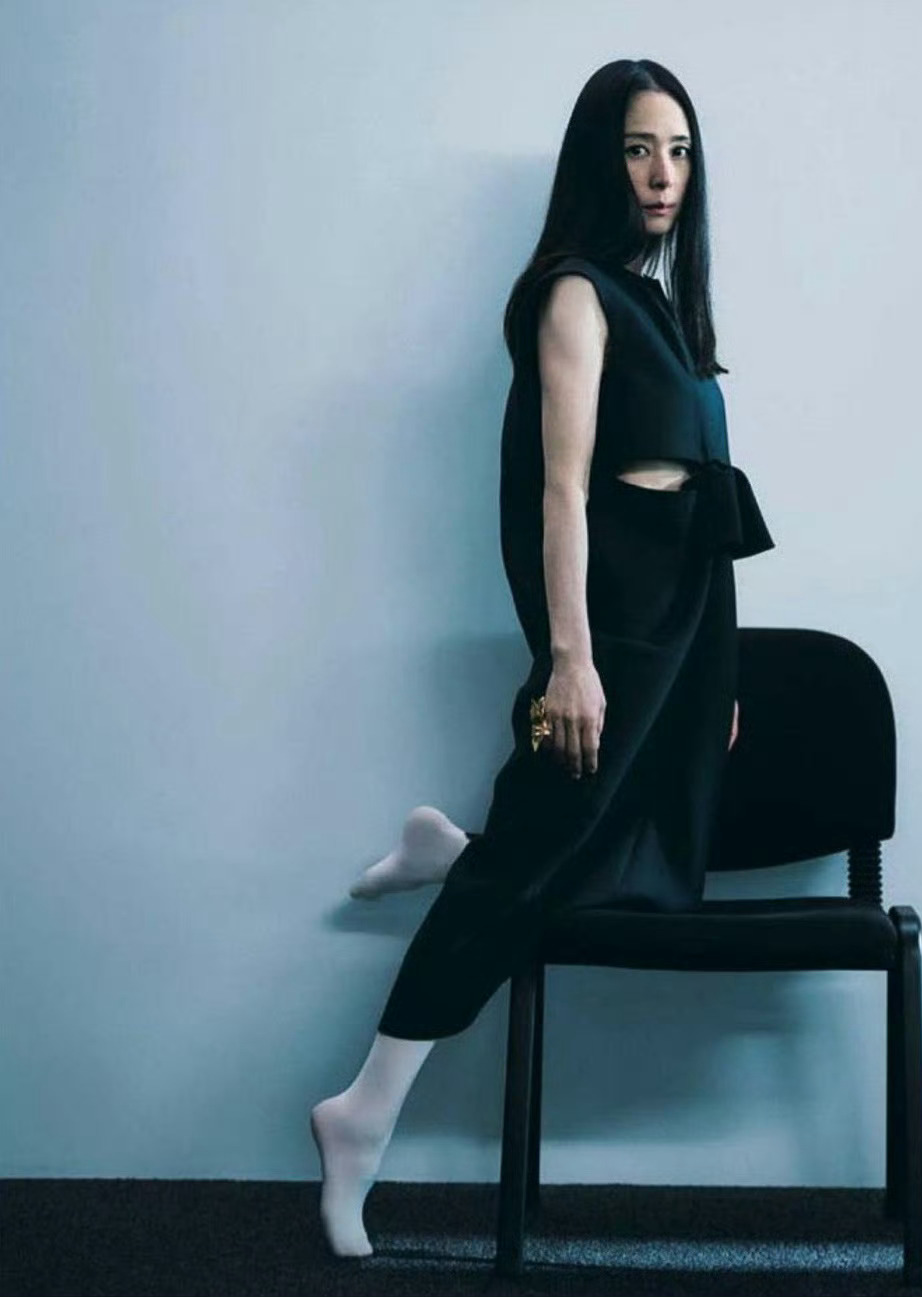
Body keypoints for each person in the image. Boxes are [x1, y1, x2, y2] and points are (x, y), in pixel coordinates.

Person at [309, 57, 775, 1259]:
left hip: (686, 625)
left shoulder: (667, 309)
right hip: (615, 623)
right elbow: (559, 492)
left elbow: (706, 505)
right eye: (637, 147)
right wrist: (568, 657)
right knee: (526, 872)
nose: (662, 173)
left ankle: (448, 852)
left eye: (679, 149)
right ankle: (361, 1114)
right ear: (596, 161)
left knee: (627, 865)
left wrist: (718, 671)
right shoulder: (574, 294)